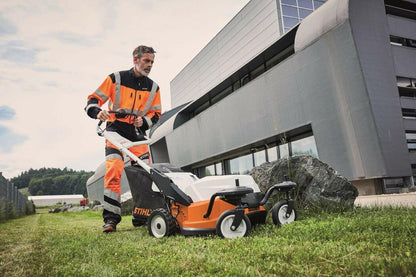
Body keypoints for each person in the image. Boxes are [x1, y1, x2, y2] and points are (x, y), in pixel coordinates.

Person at [85, 45, 161, 232]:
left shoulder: (154, 88)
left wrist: (143, 122)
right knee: (114, 170)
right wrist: (98, 113)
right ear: (135, 60)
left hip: (137, 136)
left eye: (152, 62)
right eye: (146, 61)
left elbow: (156, 114)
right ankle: (111, 219)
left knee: (144, 175)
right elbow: (92, 100)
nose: (150, 65)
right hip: (115, 132)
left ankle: (141, 215)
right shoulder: (116, 79)